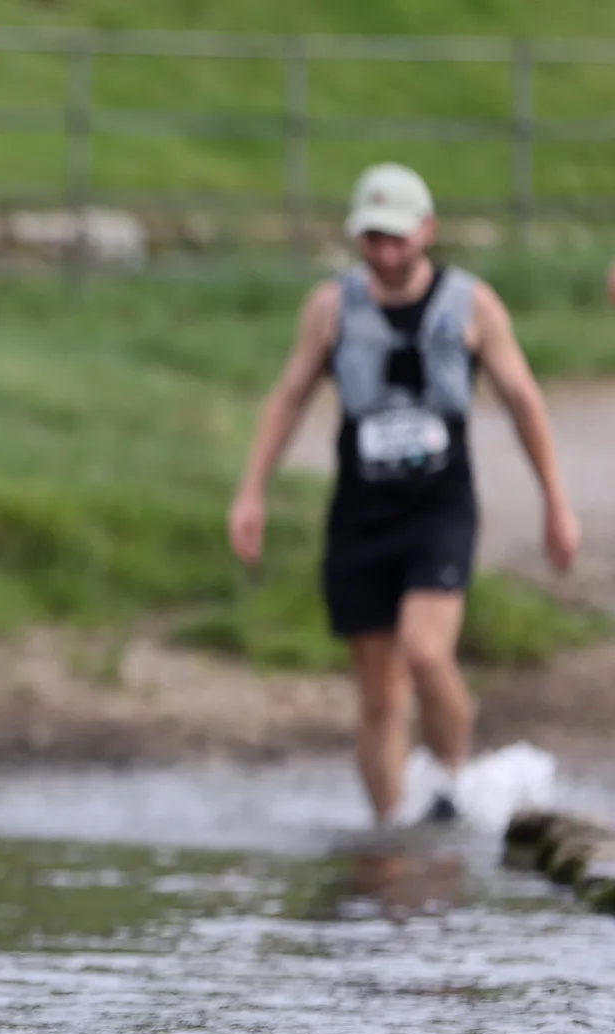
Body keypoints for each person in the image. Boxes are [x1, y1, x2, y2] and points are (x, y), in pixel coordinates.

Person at [228, 162, 580, 824]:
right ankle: (390, 834)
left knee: (424, 651)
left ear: (427, 231)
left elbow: (524, 403)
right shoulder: (331, 307)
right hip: (361, 514)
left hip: (439, 507)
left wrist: (556, 503)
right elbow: (288, 398)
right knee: (380, 695)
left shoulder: (472, 304)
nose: (386, 254)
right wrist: (251, 493)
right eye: (373, 239)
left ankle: (450, 784)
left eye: (397, 238)